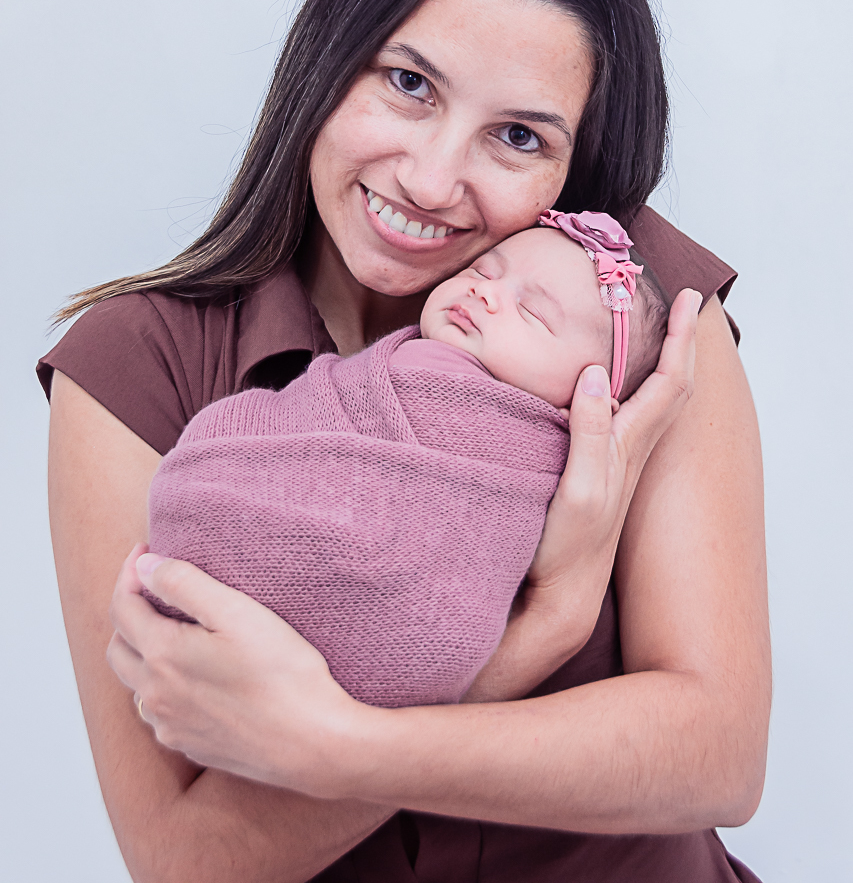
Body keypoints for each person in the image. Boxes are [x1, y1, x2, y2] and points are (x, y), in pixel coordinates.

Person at [41, 0, 769, 883]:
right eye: (409, 83)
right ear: (327, 57)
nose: (430, 179)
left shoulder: (630, 316)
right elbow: (186, 863)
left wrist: (335, 746)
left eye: (517, 136)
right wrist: (538, 626)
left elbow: (717, 759)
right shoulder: (139, 367)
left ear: (572, 167)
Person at [144, 213, 669, 710]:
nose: (484, 292)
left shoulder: (536, 449)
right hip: (252, 508)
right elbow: (316, 407)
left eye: (532, 312)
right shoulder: (402, 356)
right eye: (483, 271)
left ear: (594, 391)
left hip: (388, 601)